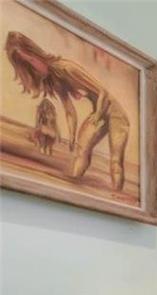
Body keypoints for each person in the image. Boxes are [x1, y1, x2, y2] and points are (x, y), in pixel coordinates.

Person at [5, 31, 130, 190]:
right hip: (99, 112)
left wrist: (98, 114)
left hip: (114, 112)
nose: (33, 67)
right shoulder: (54, 79)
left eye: (31, 60)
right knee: (81, 149)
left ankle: (117, 194)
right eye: (27, 65)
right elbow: (69, 110)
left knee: (115, 160)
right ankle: (73, 185)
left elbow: (103, 93)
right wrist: (71, 136)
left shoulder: (66, 67)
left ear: (36, 53)